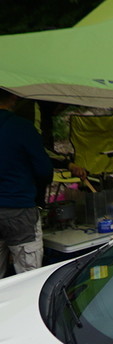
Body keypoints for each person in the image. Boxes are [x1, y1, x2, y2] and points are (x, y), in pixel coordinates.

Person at [0, 88, 54, 277]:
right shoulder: (22, 127)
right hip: (19, 209)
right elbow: (44, 171)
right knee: (28, 276)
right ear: (14, 95)